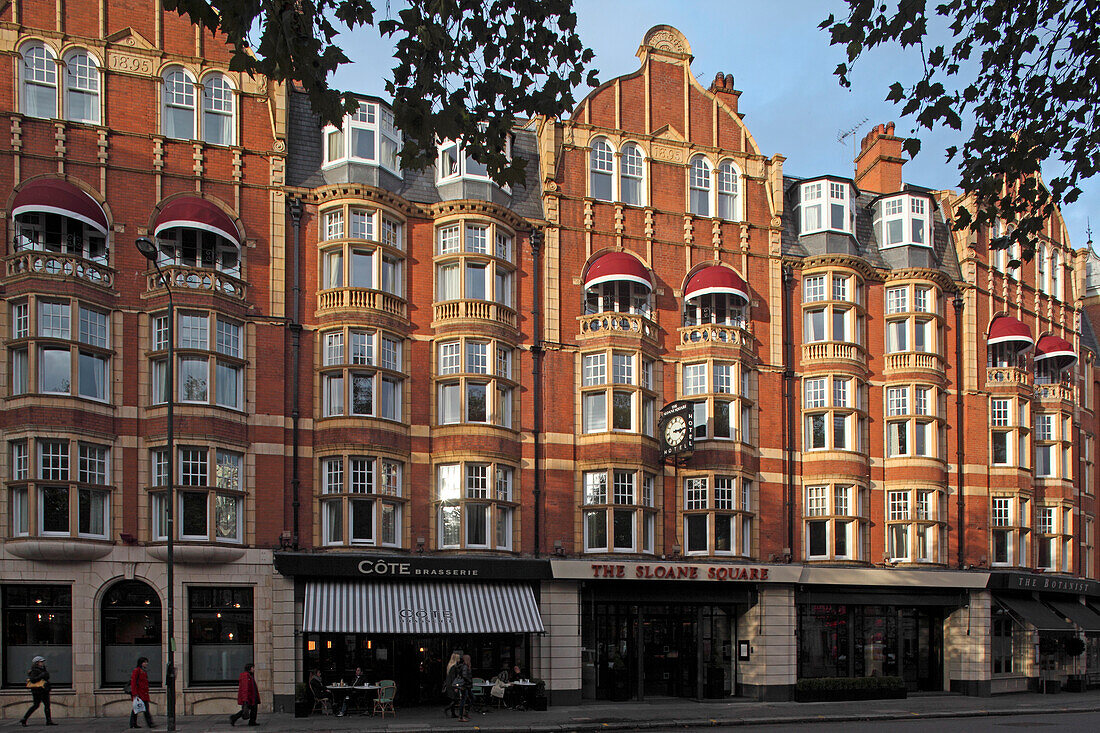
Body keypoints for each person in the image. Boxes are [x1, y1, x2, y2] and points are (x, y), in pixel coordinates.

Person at [21, 656, 55, 727]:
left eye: (42, 662)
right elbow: (33, 680)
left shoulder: (43, 669)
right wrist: (41, 676)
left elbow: (47, 677)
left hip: (44, 690)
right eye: (41, 662)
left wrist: (44, 674)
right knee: (36, 705)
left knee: (47, 705)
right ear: (37, 663)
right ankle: (24, 718)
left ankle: (49, 721)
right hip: (37, 691)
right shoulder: (34, 670)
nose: (42, 663)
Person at [129, 657, 155, 729]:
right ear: (141, 663)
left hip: (144, 693)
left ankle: (133, 723)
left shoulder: (143, 671)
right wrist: (135, 693)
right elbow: (133, 682)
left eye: (146, 662)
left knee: (137, 709)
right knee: (140, 708)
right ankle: (149, 723)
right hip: (139, 693)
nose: (146, 664)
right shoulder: (137, 671)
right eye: (145, 662)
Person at [442, 652, 462, 719]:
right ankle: (446, 709)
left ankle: (453, 713)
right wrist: (456, 686)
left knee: (452, 699)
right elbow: (454, 678)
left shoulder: (449, 666)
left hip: (449, 684)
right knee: (455, 699)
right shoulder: (454, 667)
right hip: (452, 685)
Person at [456, 653, 474, 722]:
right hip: (465, 686)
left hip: (467, 686)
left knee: (471, 698)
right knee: (463, 701)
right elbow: (464, 676)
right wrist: (469, 681)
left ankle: (466, 712)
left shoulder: (465, 666)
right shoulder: (465, 667)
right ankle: (461, 716)